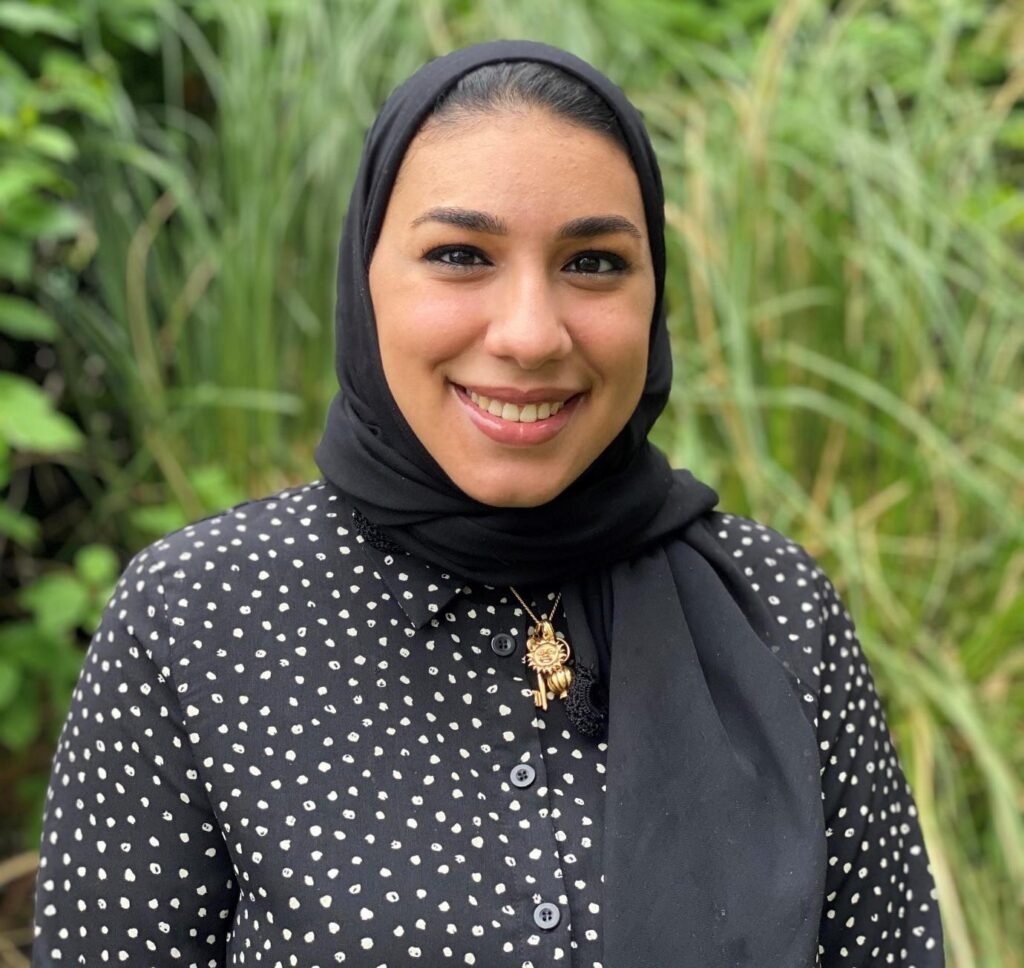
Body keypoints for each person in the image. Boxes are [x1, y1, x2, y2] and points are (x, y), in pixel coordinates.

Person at [31, 39, 944, 967]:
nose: (531, 335)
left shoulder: (775, 606)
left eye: (594, 263)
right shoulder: (198, 617)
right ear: (364, 278)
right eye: (461, 255)